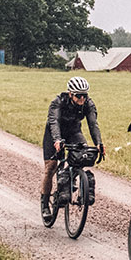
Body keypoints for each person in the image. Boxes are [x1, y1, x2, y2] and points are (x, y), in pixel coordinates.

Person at [40, 76, 105, 218]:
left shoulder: (88, 104)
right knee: (50, 167)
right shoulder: (57, 102)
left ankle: (73, 180)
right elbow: (54, 122)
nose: (82, 99)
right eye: (78, 96)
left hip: (74, 131)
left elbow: (93, 124)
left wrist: (99, 143)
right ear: (70, 94)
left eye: (84, 95)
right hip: (54, 133)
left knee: (83, 155)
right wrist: (57, 140)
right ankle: (45, 204)